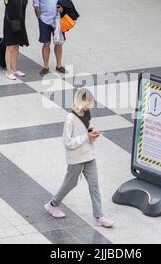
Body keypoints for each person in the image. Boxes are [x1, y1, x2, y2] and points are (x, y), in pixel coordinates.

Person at [44, 88, 115, 228]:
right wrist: (85, 137)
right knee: (70, 183)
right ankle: (52, 204)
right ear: (80, 101)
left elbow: (89, 128)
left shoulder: (87, 113)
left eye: (90, 103)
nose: (89, 106)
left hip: (89, 156)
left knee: (94, 186)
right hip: (76, 159)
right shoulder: (70, 118)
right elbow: (67, 142)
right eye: (87, 103)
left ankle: (99, 216)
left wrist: (92, 134)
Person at [32, 0, 70, 76]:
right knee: (46, 43)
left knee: (59, 43)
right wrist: (39, 18)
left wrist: (63, 7)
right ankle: (46, 66)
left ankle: (59, 66)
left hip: (58, 19)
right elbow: (36, 4)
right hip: (44, 20)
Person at [0, 0, 29, 80]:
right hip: (10, 24)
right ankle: (9, 70)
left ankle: (14, 69)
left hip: (20, 24)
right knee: (10, 46)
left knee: (16, 46)